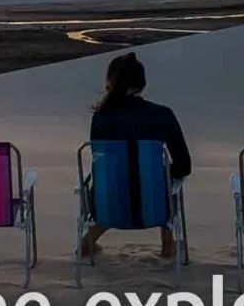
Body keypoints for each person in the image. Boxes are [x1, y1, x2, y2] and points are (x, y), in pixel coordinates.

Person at [82, 51, 191, 259]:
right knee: (160, 182)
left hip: (108, 205)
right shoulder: (162, 114)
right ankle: (168, 247)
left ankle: (88, 240)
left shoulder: (101, 117)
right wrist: (158, 175)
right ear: (142, 83)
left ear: (110, 82)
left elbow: (102, 163)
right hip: (154, 206)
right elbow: (184, 165)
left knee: (116, 182)